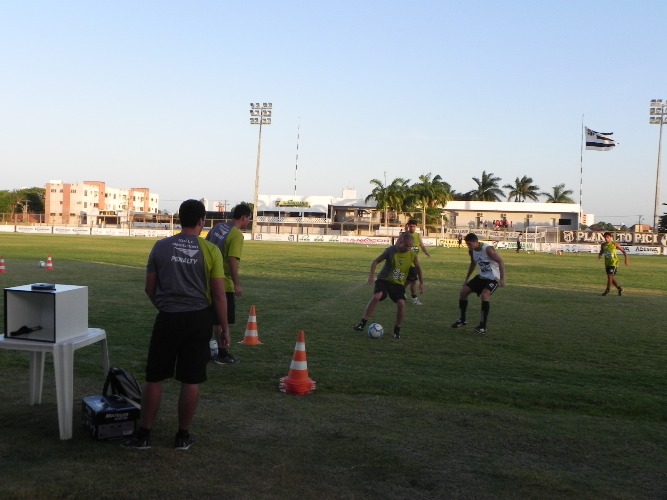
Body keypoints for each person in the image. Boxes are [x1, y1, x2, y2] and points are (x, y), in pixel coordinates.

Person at [122, 199, 228, 450]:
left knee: (155, 377)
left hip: (168, 317)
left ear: (179, 219)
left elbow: (149, 288)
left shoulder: (160, 246)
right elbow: (220, 295)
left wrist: (165, 307)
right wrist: (224, 327)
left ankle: (143, 435)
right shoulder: (210, 250)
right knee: (191, 379)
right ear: (202, 221)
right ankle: (182, 436)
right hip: (199, 319)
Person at [352, 232, 423, 339]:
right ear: (401, 242)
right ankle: (362, 323)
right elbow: (376, 261)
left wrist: (421, 283)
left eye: (410, 246)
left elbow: (418, 268)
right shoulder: (391, 250)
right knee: (378, 296)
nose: (408, 248)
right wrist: (372, 275)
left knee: (401, 304)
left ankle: (397, 329)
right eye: (406, 245)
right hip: (384, 280)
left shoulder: (412, 254)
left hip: (398, 283)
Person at [205, 203, 252, 364]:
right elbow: (232, 260)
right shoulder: (237, 235)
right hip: (223, 282)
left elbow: (205, 244)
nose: (248, 222)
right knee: (220, 319)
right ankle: (222, 353)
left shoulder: (218, 227)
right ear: (244, 217)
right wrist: (237, 284)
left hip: (207, 279)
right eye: (249, 219)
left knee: (209, 317)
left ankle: (205, 349)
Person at [451, 233, 505, 335]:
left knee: (485, 295)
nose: (468, 246)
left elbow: (500, 262)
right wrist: (466, 279)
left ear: (476, 241)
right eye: (467, 244)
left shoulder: (487, 249)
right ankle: (462, 320)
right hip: (482, 276)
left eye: (470, 244)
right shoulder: (472, 251)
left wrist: (502, 279)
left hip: (493, 277)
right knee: (463, 293)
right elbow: (472, 264)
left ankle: (482, 327)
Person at [404, 218, 430, 305]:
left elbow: (422, 245)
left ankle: (402, 291)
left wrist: (426, 252)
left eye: (413, 226)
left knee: (410, 280)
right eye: (410, 226)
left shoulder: (418, 235)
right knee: (413, 281)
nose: (412, 228)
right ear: (408, 226)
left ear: (416, 227)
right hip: (405, 262)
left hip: (413, 262)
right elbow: (397, 245)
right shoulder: (404, 235)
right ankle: (414, 299)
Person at [598, 231, 628, 296]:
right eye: (605, 237)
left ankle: (607, 290)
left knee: (610, 276)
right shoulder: (603, 245)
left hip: (614, 263)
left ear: (611, 237)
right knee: (611, 278)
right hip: (607, 263)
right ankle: (619, 289)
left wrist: (626, 259)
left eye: (607, 237)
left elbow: (623, 251)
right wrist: (600, 255)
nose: (606, 238)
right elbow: (601, 251)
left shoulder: (614, 244)